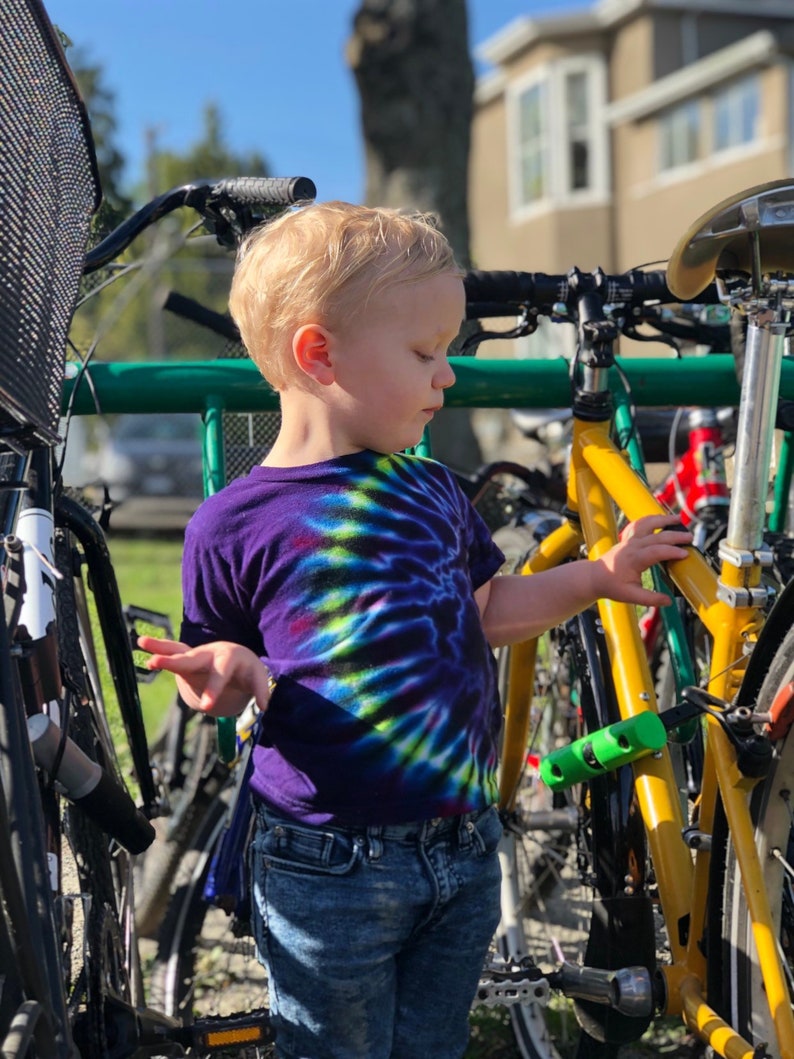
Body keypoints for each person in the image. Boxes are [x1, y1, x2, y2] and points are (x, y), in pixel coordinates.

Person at [139, 200, 691, 1059]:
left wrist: (596, 576)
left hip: (464, 847)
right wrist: (222, 670)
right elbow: (215, 666)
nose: (449, 377)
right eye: (426, 353)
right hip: (327, 867)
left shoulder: (430, 490)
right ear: (318, 354)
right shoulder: (231, 522)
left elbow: (486, 611)